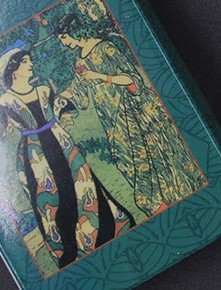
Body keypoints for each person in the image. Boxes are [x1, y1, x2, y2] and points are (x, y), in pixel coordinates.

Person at [0, 49, 133, 269]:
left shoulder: (44, 90)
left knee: (84, 188)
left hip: (63, 145)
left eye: (30, 60)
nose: (31, 64)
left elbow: (64, 107)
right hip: (35, 155)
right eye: (25, 62)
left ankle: (102, 235)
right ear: (14, 69)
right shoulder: (4, 101)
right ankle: (69, 251)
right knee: (51, 201)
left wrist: (64, 117)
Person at [55, 14, 206, 217]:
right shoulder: (79, 59)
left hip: (131, 111)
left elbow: (133, 78)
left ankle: (177, 201)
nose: (64, 43)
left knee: (151, 157)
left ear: (74, 31)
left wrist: (101, 77)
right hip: (109, 117)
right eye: (61, 40)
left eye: (64, 38)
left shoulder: (106, 47)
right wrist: (57, 97)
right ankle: (159, 208)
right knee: (125, 161)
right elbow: (79, 91)